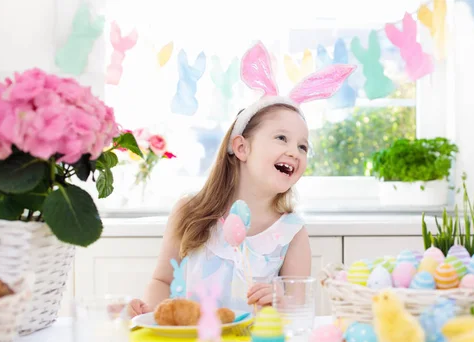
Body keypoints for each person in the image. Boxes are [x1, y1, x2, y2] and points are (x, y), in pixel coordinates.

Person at [127, 41, 355, 317]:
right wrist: (151, 311)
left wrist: (281, 300)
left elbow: (299, 310)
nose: (294, 152)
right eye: (282, 138)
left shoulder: (291, 233)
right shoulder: (189, 212)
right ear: (242, 147)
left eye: (303, 146)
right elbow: (162, 280)